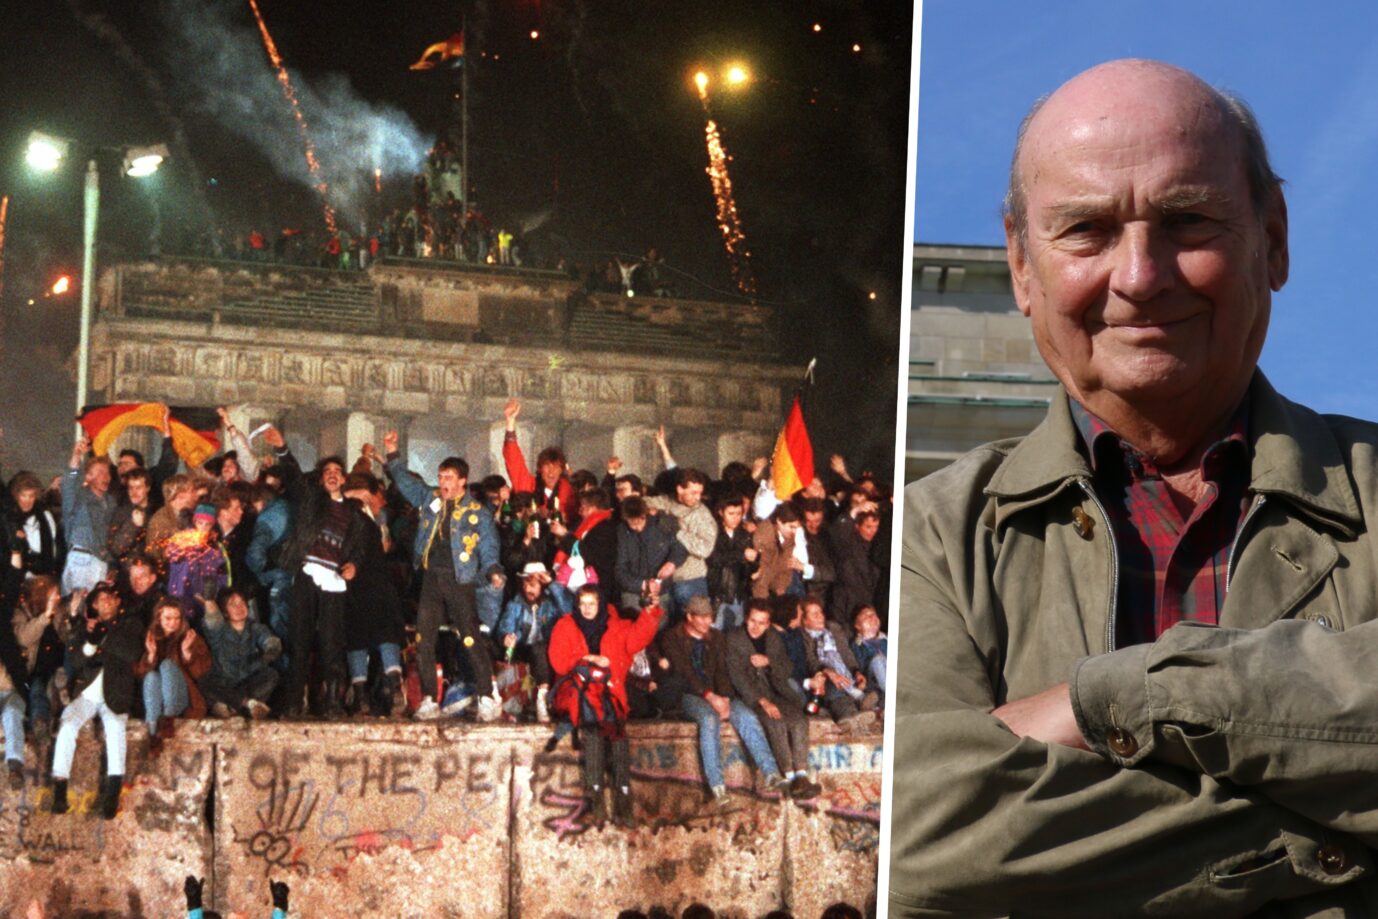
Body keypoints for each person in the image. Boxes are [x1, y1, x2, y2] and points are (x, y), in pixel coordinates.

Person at [887, 59, 1378, 916]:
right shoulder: (928, 537)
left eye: (1188, 220)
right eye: (1086, 230)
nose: (1141, 275)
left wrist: (1120, 698)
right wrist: (1328, 841)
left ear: (1274, 238)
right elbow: (917, 830)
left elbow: (980, 843)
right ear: (1021, 267)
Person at [383, 430, 506, 721]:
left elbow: (489, 546)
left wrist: (492, 570)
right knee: (424, 637)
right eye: (441, 477)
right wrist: (392, 455)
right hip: (431, 579)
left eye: (449, 478)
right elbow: (406, 484)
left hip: (460, 580)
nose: (443, 483)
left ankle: (488, 696)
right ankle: (428, 698)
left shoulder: (477, 512)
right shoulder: (430, 499)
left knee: (469, 636)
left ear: (463, 480)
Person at [548, 582, 662, 828]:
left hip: (608, 692)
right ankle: (596, 797)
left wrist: (650, 612)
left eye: (592, 604)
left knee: (618, 734)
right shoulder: (566, 625)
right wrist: (586, 659)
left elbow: (639, 636)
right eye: (583, 604)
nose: (587, 609)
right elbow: (558, 662)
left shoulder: (616, 626)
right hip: (576, 691)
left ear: (600, 604)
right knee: (593, 730)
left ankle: (623, 797)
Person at [655, 595, 785, 805]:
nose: (708, 622)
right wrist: (710, 697)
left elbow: (722, 672)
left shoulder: (716, 637)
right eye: (702, 618)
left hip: (717, 693)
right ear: (689, 617)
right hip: (690, 694)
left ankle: (771, 773)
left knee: (746, 716)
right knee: (708, 720)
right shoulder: (672, 637)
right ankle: (717, 785)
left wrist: (724, 697)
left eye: (710, 617)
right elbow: (685, 672)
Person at [52, 583, 143, 818]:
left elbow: (132, 652)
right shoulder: (84, 627)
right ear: (93, 605)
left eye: (111, 598)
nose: (107, 603)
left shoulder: (130, 624)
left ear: (118, 602)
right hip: (88, 693)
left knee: (115, 730)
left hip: (116, 693)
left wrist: (104, 634)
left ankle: (112, 795)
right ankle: (59, 791)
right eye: (101, 600)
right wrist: (91, 642)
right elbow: (77, 660)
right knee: (68, 724)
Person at [725, 600, 821, 800]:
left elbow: (787, 667)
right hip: (752, 696)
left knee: (799, 720)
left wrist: (769, 662)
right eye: (752, 621)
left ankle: (802, 775)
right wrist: (762, 702)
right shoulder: (734, 639)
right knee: (775, 722)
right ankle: (789, 775)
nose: (756, 626)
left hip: (776, 692)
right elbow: (737, 678)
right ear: (746, 618)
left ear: (768, 623)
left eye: (762, 622)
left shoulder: (773, 637)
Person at [134, 597, 212, 743]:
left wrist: (186, 654)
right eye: (168, 618)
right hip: (157, 700)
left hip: (182, 699)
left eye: (177, 618)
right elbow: (140, 675)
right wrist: (151, 655)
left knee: (167, 665)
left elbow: (201, 672)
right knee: (151, 676)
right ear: (159, 618)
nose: (173, 623)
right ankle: (153, 734)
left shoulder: (190, 637)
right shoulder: (151, 638)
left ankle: (168, 721)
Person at [200, 587, 281, 719]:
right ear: (225, 611)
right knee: (205, 683)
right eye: (233, 604)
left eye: (242, 603)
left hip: (249, 681)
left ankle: (232, 707)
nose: (239, 607)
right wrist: (209, 600)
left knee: (271, 675)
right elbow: (213, 620)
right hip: (224, 682)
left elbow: (268, 639)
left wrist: (271, 649)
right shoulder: (220, 630)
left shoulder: (256, 628)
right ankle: (248, 704)